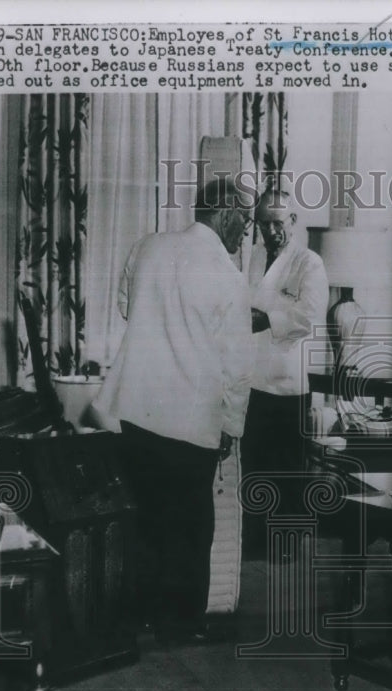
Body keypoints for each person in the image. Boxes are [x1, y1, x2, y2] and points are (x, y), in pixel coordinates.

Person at [96, 177, 253, 644]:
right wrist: (232, 425)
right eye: (243, 221)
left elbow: (127, 307)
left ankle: (141, 612)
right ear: (225, 214)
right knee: (192, 523)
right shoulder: (228, 277)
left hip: (138, 407)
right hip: (191, 415)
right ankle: (184, 620)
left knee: (145, 514)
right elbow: (238, 368)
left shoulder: (147, 246)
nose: (244, 232)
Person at [241, 187, 329, 558]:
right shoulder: (255, 258)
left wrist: (266, 320)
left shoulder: (309, 263)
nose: (271, 232)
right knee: (255, 464)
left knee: (288, 467)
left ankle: (287, 544)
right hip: (252, 379)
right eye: (263, 224)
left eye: (277, 223)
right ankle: (255, 542)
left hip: (288, 381)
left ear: (292, 221)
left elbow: (308, 315)